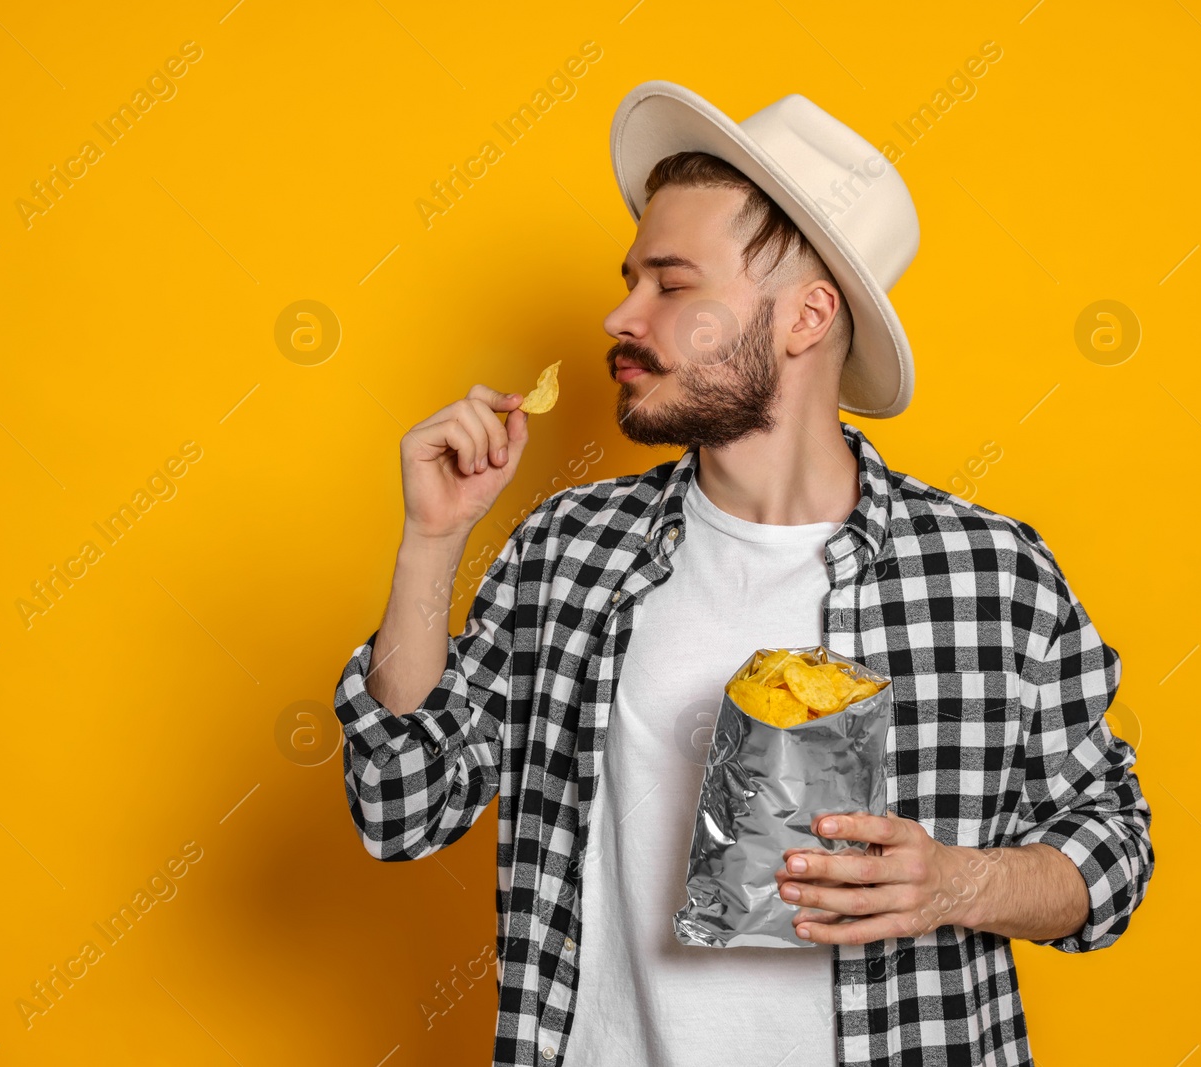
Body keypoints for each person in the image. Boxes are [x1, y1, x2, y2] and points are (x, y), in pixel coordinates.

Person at [332, 81, 1152, 1067]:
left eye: (671, 284)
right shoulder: (569, 550)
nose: (618, 314)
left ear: (805, 317)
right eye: (631, 276)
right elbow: (400, 807)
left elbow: (1111, 848)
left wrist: (956, 884)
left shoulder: (988, 574)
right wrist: (430, 542)